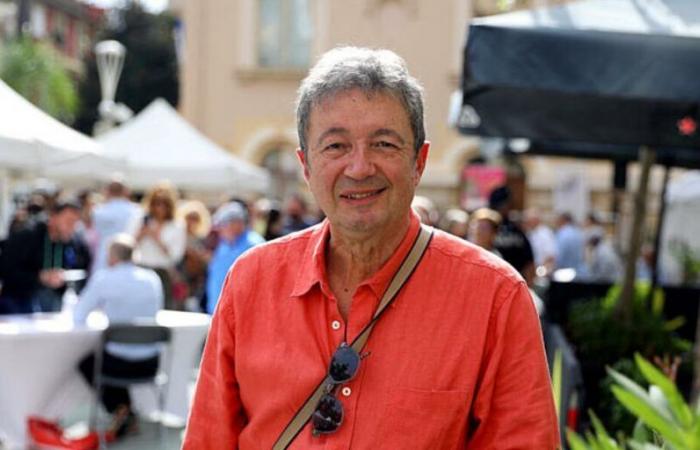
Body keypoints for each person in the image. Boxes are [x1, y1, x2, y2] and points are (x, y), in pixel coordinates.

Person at [183, 46, 558, 449]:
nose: (359, 168)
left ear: (419, 161)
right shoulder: (251, 281)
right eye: (336, 146)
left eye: (383, 144)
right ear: (305, 166)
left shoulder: (495, 298)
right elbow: (208, 439)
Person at [74, 234, 163, 439]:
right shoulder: (152, 279)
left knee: (89, 364)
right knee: (111, 357)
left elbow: (79, 314)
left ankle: (122, 410)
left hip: (118, 363)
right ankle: (125, 412)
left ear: (111, 257)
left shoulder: (105, 278)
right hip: (151, 362)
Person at [0, 200, 90, 314]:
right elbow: (7, 270)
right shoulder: (27, 236)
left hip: (54, 305)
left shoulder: (73, 242)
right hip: (20, 304)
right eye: (68, 221)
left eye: (75, 223)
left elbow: (82, 266)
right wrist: (39, 277)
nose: (72, 227)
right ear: (53, 217)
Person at [205, 201, 264, 314]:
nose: (221, 229)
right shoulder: (223, 245)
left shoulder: (255, 245)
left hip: (245, 313)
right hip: (217, 312)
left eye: (224, 224)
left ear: (238, 223)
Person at [134, 182, 186, 310]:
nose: (160, 207)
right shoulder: (141, 219)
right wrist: (141, 234)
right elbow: (128, 245)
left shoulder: (177, 225)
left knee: (163, 309)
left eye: (164, 203)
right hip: (141, 269)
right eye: (156, 202)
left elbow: (175, 256)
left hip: (162, 273)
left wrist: (157, 239)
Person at [91, 177, 143, 273]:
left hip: (103, 256)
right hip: (126, 256)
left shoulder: (98, 211)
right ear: (126, 191)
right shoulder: (136, 210)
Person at [488, 185, 536, 285]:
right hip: (507, 283)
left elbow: (529, 263)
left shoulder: (515, 229)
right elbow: (529, 263)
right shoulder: (516, 229)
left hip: (505, 284)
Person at [523, 207, 557, 276]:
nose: (527, 222)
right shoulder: (527, 233)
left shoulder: (545, 234)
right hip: (530, 272)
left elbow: (550, 256)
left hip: (542, 272)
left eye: (529, 220)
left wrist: (540, 271)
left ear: (536, 220)